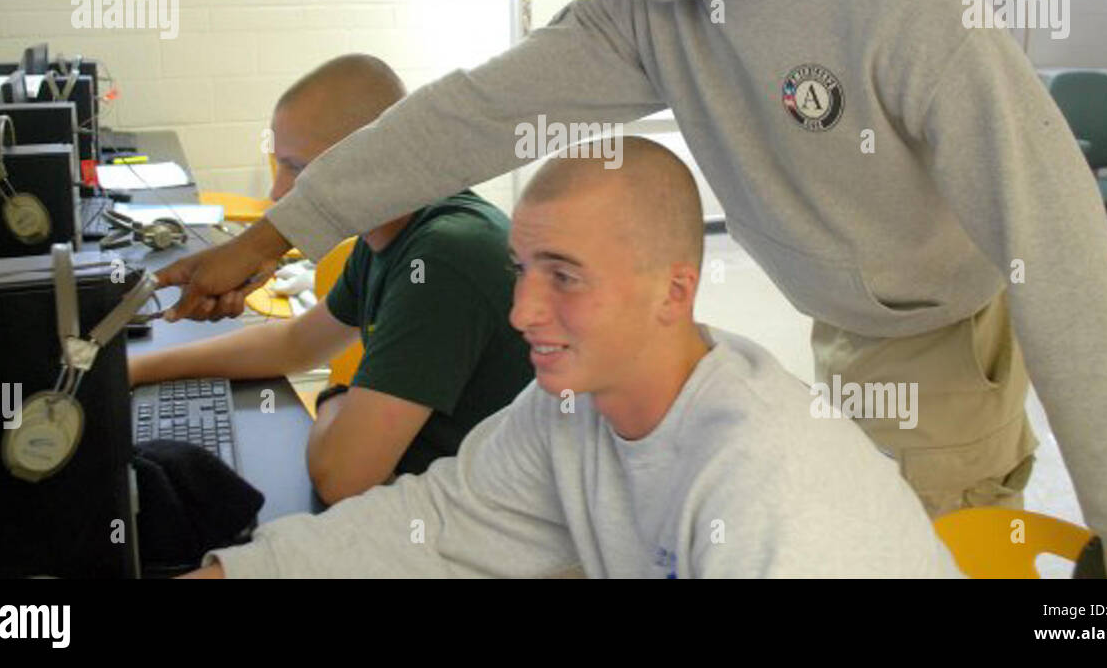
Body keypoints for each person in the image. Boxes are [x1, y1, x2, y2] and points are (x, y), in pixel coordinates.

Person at [158, 0, 1107, 578]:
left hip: (940, 339)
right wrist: (278, 228)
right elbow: (473, 113)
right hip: (842, 329)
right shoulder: (647, 9)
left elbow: (1057, 252)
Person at [185, 139, 961, 578]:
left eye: (564, 275)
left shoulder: (776, 491)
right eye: (521, 268)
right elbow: (438, 520)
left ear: (674, 290)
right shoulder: (569, 408)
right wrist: (232, 574)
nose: (523, 310)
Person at [135, 54, 532, 504]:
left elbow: (341, 477)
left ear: (371, 159)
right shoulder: (384, 230)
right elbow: (298, 343)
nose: (278, 192)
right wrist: (138, 370)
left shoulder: (444, 255)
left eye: (298, 168)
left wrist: (333, 399)